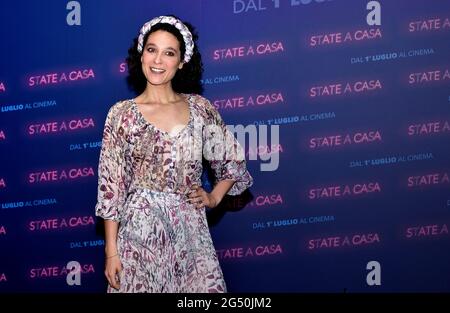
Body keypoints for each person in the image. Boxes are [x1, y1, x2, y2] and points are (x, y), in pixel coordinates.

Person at [95, 15, 253, 293]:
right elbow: (111, 189)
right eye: (151, 49)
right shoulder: (121, 114)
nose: (157, 60)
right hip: (139, 234)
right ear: (141, 54)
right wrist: (112, 251)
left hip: (190, 233)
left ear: (181, 62)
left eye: (169, 53)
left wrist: (214, 197)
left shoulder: (201, 108)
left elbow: (231, 162)